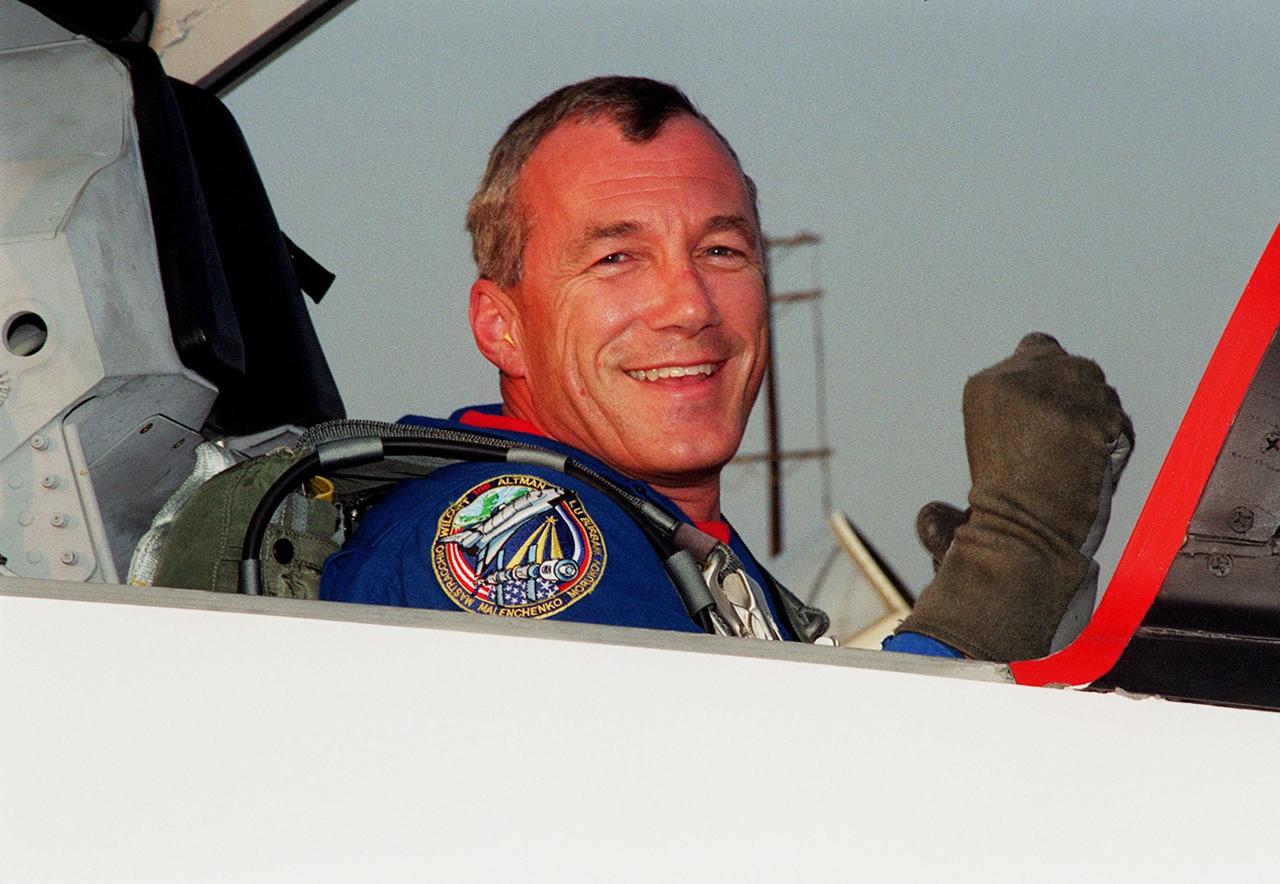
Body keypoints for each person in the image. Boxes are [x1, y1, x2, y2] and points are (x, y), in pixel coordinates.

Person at [320, 76, 1132, 662]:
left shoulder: (674, 547)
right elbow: (756, 818)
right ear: (500, 327)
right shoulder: (528, 533)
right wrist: (1008, 573)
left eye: (721, 249)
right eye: (615, 257)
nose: (689, 305)